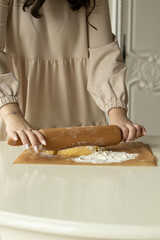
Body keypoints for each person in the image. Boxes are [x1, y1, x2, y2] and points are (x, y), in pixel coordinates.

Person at [0, 0, 146, 153]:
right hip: (17, 112)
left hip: (80, 112)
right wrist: (12, 114)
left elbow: (104, 55)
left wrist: (117, 113)